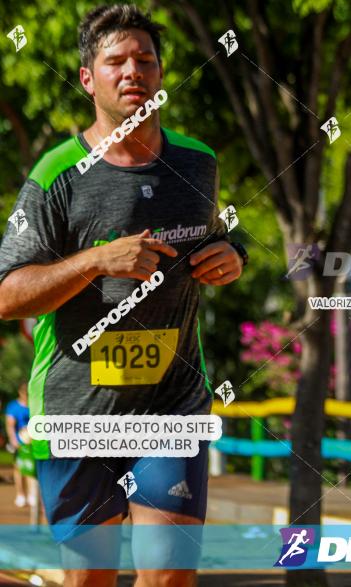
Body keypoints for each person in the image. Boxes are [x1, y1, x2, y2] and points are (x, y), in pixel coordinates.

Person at [0, 5, 246, 586]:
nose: (133, 71)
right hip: (78, 408)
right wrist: (95, 261)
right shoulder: (57, 174)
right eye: (116, 61)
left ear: (160, 75)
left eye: (145, 60)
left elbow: (215, 239)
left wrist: (233, 256)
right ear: (89, 79)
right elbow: (8, 294)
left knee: (169, 577)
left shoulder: (198, 162)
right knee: (91, 579)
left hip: (172, 400)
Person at [5, 383, 37, 508]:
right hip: (19, 443)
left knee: (31, 469)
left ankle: (31, 494)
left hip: (32, 443)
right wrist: (13, 440)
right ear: (20, 393)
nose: (26, 396)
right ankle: (20, 494)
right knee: (19, 468)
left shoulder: (34, 405)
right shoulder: (13, 407)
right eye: (25, 393)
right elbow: (10, 424)